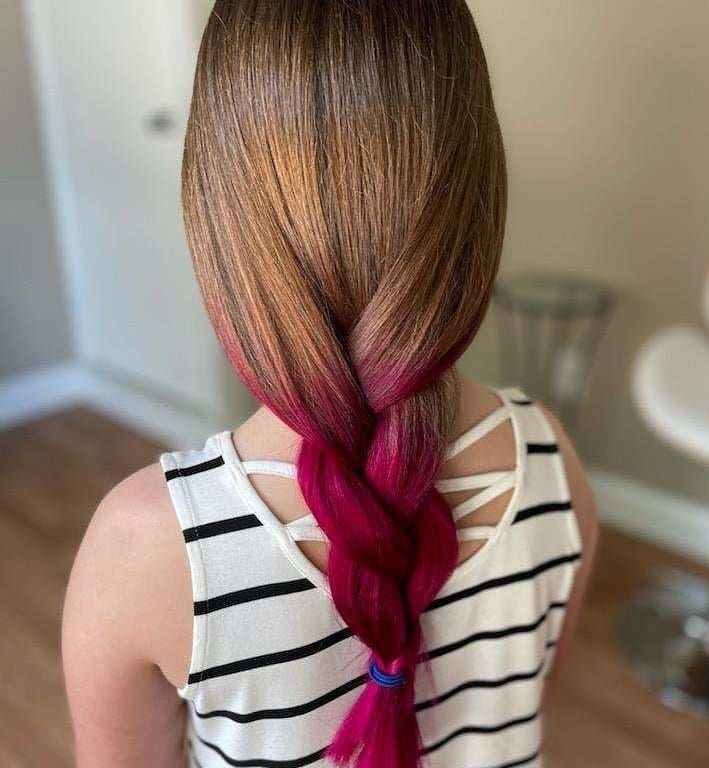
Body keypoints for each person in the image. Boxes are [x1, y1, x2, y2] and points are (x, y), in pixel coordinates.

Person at [62, 2, 598, 767]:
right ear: (477, 207)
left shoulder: (148, 548)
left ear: (217, 223)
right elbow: (537, 691)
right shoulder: (550, 459)